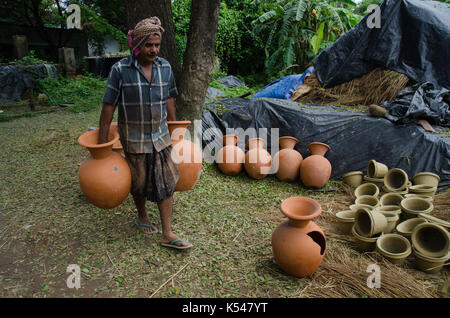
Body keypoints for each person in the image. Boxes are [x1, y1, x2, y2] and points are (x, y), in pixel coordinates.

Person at [98, 17, 192, 250]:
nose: (154, 50)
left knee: (168, 181)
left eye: (157, 45)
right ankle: (142, 215)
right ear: (138, 44)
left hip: (160, 137)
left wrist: (174, 129)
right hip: (134, 138)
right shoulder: (120, 70)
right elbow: (109, 105)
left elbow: (169, 97)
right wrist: (102, 144)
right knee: (138, 183)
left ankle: (167, 232)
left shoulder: (166, 67)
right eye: (149, 45)